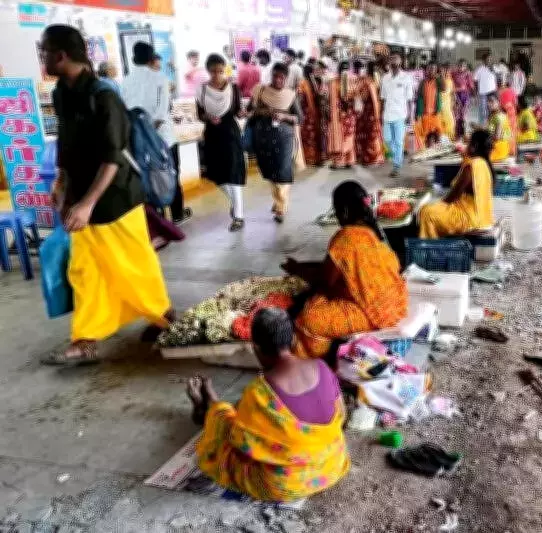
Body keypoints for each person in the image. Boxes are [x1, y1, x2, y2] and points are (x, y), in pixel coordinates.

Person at [41, 25, 172, 364]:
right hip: (83, 199)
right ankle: (85, 340)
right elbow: (66, 146)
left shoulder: (104, 95)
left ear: (61, 55)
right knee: (85, 271)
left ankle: (166, 320)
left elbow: (113, 157)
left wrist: (86, 204)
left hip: (116, 200)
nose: (41, 58)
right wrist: (62, 184)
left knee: (135, 267)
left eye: (43, 52)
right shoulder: (60, 93)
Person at [189, 308, 350, 502]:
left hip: (284, 485)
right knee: (234, 417)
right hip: (331, 466)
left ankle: (211, 406)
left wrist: (221, 415)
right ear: (293, 340)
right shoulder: (323, 368)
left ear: (255, 347)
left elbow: (240, 441)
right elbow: (342, 414)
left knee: (223, 428)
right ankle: (212, 405)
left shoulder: (260, 393)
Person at [285, 181, 408, 359]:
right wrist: (300, 267)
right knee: (320, 297)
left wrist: (297, 270)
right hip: (397, 303)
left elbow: (325, 280)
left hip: (374, 314)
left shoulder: (346, 237)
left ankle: (318, 361)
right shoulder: (372, 233)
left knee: (309, 318)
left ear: (343, 211)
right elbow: (334, 268)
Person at [121, 42, 192, 225]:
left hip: (138, 140)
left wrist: (141, 133)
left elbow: (125, 111)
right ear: (152, 59)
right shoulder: (160, 79)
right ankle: (177, 214)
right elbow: (161, 112)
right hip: (163, 138)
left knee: (146, 177)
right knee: (171, 173)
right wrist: (151, 130)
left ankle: (158, 219)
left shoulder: (126, 81)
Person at [197, 54, 247, 231]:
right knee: (218, 176)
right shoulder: (202, 90)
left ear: (224, 69)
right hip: (213, 135)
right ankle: (234, 203)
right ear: (208, 71)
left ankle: (239, 216)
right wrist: (208, 118)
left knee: (234, 174)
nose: (217, 75)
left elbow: (238, 110)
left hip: (230, 134)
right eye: (213, 72)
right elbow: (200, 114)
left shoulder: (233, 88)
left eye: (220, 71)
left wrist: (242, 113)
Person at [249, 63, 304, 224]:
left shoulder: (291, 95)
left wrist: (285, 117)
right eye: (275, 76)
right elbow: (250, 111)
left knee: (282, 171)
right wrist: (265, 111)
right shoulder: (261, 91)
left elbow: (299, 118)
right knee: (270, 171)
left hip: (284, 139)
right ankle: (278, 200)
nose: (278, 80)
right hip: (263, 138)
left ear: (286, 79)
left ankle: (281, 207)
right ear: (271, 75)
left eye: (281, 77)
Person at [418, 130, 495, 239]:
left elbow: (453, 196)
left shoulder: (471, 167)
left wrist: (439, 204)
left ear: (474, 146)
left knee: (426, 211)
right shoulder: (485, 164)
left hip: (468, 219)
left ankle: (431, 246)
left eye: (468, 143)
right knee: (432, 208)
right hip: (482, 219)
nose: (466, 146)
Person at [380, 51, 414, 178]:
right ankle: (396, 156)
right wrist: (380, 113)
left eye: (396, 59)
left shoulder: (406, 77)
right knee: (387, 140)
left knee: (399, 141)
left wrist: (410, 116)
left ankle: (396, 166)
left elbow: (410, 99)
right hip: (387, 115)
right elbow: (382, 98)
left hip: (400, 115)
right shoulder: (385, 78)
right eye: (392, 59)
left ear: (400, 62)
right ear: (389, 62)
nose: (394, 62)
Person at [297, 63, 329, 167]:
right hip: (317, 113)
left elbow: (301, 99)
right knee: (317, 135)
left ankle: (310, 157)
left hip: (307, 114)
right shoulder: (316, 81)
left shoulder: (302, 83)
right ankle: (319, 157)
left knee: (307, 136)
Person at [354, 61, 385, 166]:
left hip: (368, 112)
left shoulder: (365, 81)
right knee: (373, 134)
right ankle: (375, 157)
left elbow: (362, 97)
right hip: (373, 111)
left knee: (369, 134)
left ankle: (369, 157)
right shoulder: (377, 80)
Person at [328, 61, 357, 169]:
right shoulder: (335, 82)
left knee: (345, 137)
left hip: (345, 115)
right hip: (342, 115)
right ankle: (348, 160)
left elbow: (353, 97)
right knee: (345, 137)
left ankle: (342, 160)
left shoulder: (336, 82)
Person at [414, 63, 445, 148]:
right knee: (427, 134)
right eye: (430, 69)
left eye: (433, 69)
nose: (431, 71)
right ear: (426, 70)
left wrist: (440, 76)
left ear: (436, 71)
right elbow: (418, 97)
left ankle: (436, 150)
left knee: (437, 133)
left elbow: (444, 88)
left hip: (435, 112)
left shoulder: (438, 81)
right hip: (425, 113)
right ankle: (429, 149)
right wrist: (417, 113)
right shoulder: (422, 82)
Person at [486, 94, 513, 161]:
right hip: (495, 147)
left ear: (498, 103)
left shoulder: (499, 117)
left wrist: (481, 135)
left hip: (498, 149)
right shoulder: (493, 115)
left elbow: (497, 137)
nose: (489, 104)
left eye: (492, 101)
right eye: (488, 101)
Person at [452, 59, 473, 140]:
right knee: (456, 115)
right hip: (456, 96)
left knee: (463, 116)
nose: (461, 67)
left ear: (466, 67)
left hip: (465, 96)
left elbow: (470, 86)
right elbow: (451, 84)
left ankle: (462, 134)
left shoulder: (468, 74)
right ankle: (456, 134)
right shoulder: (454, 73)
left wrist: (465, 89)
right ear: (457, 65)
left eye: (463, 66)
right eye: (459, 65)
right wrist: (456, 90)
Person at [474, 54, 497, 124]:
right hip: (482, 93)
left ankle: (491, 125)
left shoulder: (495, 68)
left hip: (492, 92)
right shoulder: (479, 69)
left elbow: (499, 78)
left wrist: (492, 69)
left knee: (492, 110)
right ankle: (482, 126)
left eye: (490, 59)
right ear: (483, 61)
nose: (489, 61)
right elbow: (475, 81)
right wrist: (476, 93)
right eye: (487, 59)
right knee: (483, 110)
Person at [497, 80, 518, 155]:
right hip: (511, 112)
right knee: (512, 132)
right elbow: (515, 102)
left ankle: (506, 150)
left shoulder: (500, 92)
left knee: (505, 131)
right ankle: (512, 151)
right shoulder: (512, 91)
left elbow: (500, 104)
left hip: (504, 112)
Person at [438, 62, 456, 141]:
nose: (447, 72)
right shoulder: (437, 80)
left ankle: (450, 141)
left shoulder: (450, 81)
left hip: (448, 107)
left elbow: (452, 93)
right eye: (445, 70)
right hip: (439, 107)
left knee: (451, 124)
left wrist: (454, 103)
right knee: (440, 125)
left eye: (448, 70)